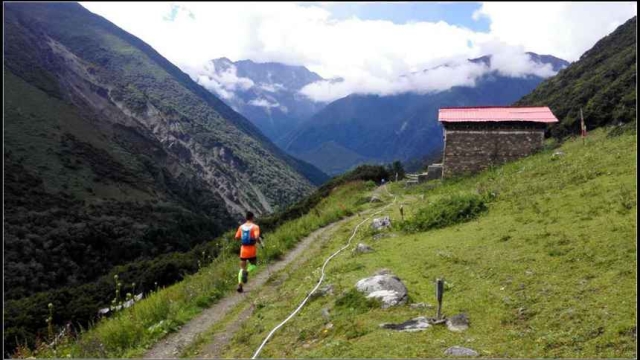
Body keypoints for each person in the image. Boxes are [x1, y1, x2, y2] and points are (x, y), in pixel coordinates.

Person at [234, 211, 262, 293]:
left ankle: (240, 285)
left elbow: (236, 237)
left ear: (246, 218)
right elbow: (257, 237)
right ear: (252, 217)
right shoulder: (255, 227)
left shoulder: (241, 227)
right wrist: (260, 242)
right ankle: (247, 272)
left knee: (241, 268)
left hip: (243, 250)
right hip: (252, 250)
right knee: (253, 265)